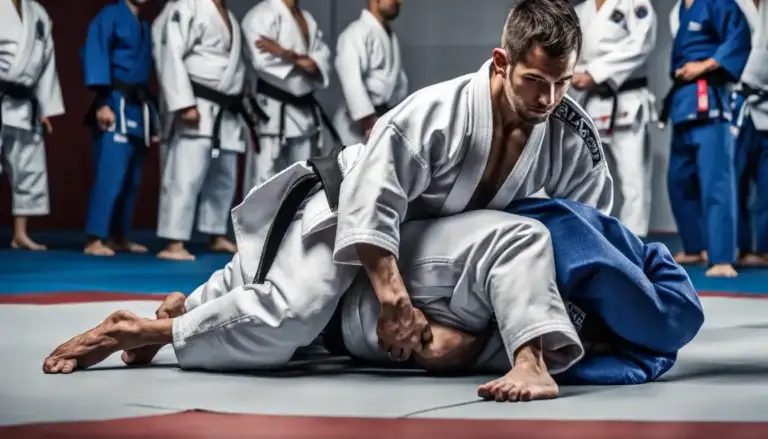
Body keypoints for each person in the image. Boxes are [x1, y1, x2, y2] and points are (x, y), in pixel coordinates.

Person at [41, 0, 613, 395]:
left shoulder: (570, 135)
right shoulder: (438, 114)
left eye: (563, 83)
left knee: (281, 291)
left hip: (421, 235)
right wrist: (394, 301)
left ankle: (186, 307)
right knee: (293, 315)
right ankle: (142, 331)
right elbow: (371, 203)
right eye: (535, 82)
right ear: (501, 62)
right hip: (341, 204)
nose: (550, 99)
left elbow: (586, 231)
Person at [42, 199, 704, 402]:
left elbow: (652, 341)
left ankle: (173, 315)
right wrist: (462, 346)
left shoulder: (583, 324)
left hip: (333, 287)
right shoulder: (539, 239)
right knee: (287, 316)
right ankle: (140, 328)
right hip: (347, 228)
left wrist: (471, 350)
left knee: (277, 308)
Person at [153, 0, 259, 261]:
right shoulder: (188, 7)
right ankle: (174, 241)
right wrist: (183, 103)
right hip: (198, 103)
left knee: (224, 175)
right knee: (185, 174)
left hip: (227, 107)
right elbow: (171, 55)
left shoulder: (229, 15)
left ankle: (215, 233)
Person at [661, 0, 752, 277]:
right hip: (683, 103)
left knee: (717, 183)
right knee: (678, 180)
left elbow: (739, 37)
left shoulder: (719, 3)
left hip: (709, 101)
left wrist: (705, 65)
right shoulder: (680, 9)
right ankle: (695, 247)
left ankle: (722, 257)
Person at [569, 0, 657, 237]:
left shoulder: (635, 4)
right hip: (588, 101)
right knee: (588, 177)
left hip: (626, 100)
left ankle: (634, 241)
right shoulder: (579, 11)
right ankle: (591, 238)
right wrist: (577, 76)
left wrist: (595, 73)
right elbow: (570, 52)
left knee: (633, 179)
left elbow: (641, 44)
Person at [81, 0, 158, 257]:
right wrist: (103, 101)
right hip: (114, 103)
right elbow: (95, 52)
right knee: (110, 174)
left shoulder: (145, 25)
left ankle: (119, 236)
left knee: (131, 178)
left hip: (138, 106)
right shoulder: (110, 15)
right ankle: (95, 237)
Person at [240, 0, 335, 191]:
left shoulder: (307, 19)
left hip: (304, 111)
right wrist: (304, 63)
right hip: (272, 110)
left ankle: (297, 221)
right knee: (264, 178)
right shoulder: (259, 16)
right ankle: (263, 222)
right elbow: (262, 63)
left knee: (303, 177)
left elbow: (321, 63)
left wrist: (284, 53)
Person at [1, 0, 64, 251]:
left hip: (25, 103)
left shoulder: (37, 13)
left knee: (28, 168)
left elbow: (47, 63)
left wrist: (45, 107)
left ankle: (20, 233)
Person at [333, 0, 409, 146]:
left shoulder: (388, 34)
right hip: (358, 125)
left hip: (383, 117)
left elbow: (398, 81)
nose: (398, 2)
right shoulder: (356, 33)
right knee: (355, 167)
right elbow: (351, 79)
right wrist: (368, 121)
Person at [732, 0, 768, 266]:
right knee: (736, 181)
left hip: (764, 102)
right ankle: (742, 248)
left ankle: (765, 249)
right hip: (735, 104)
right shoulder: (725, 3)